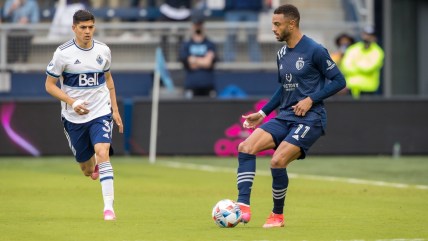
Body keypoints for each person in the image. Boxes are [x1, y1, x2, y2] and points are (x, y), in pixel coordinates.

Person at [235, 4, 346, 228]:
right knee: (245, 148)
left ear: (292, 23)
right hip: (285, 116)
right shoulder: (282, 54)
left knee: (277, 161)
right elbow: (284, 88)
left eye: (277, 24)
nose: (274, 29)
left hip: (311, 118)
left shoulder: (315, 50)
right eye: (273, 24)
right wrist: (263, 112)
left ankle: (277, 215)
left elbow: (339, 81)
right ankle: (242, 207)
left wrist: (311, 99)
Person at [45, 9, 124, 221]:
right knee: (87, 169)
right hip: (74, 117)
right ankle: (93, 166)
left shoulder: (103, 50)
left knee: (103, 151)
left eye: (91, 27)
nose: (87, 31)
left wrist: (115, 110)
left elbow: (108, 81)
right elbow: (49, 85)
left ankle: (109, 208)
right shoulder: (63, 54)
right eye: (83, 28)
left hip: (100, 111)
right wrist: (72, 102)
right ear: (74, 28)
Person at [179, 14, 217, 98]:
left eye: (199, 25)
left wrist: (194, 60)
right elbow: (188, 62)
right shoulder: (186, 45)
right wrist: (204, 60)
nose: (198, 27)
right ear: (192, 26)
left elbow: (208, 63)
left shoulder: (210, 44)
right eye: (196, 25)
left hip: (208, 86)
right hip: (191, 86)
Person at [340, 26, 384, 99]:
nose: (367, 37)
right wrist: (363, 64)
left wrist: (355, 63)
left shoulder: (377, 51)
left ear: (374, 37)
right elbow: (345, 66)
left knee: (366, 110)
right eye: (365, 34)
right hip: (351, 88)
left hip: (368, 89)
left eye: (370, 35)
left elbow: (369, 68)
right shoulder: (353, 48)